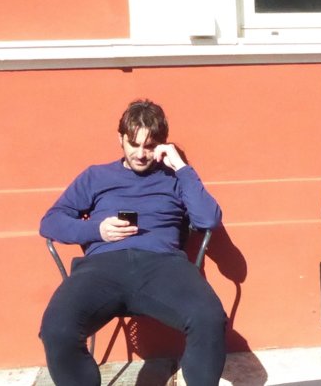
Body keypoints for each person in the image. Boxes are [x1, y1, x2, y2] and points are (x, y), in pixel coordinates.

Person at [39, 99, 226, 386]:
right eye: (133, 144)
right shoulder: (96, 176)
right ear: (121, 139)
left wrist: (181, 167)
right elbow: (50, 222)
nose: (140, 154)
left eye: (150, 146)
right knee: (57, 330)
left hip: (163, 266)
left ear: (162, 145)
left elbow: (208, 220)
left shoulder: (175, 179)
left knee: (209, 319)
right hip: (102, 267)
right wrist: (96, 230)